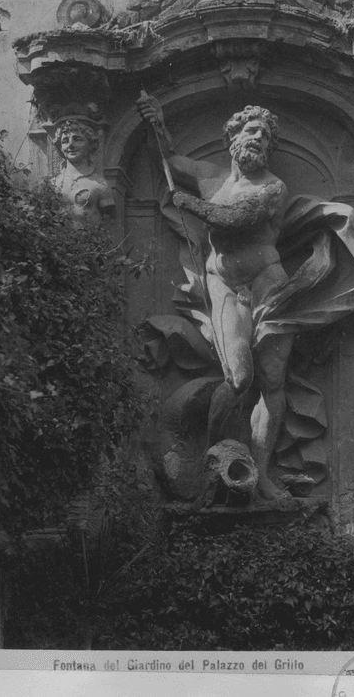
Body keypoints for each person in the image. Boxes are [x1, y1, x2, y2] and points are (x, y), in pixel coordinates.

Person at [137, 94, 294, 500]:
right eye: (250, 130)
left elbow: (235, 220)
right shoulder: (208, 176)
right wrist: (157, 125)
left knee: (273, 381)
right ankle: (216, 461)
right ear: (233, 139)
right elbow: (169, 163)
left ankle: (261, 475)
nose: (258, 138)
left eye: (265, 134)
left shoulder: (273, 187)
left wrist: (187, 202)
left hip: (268, 283)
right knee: (240, 378)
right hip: (225, 285)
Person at [51, 116, 116, 228]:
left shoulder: (100, 184)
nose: (70, 145)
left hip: (88, 242)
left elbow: (108, 221)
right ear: (60, 147)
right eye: (65, 141)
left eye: (77, 139)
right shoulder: (53, 184)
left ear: (90, 144)